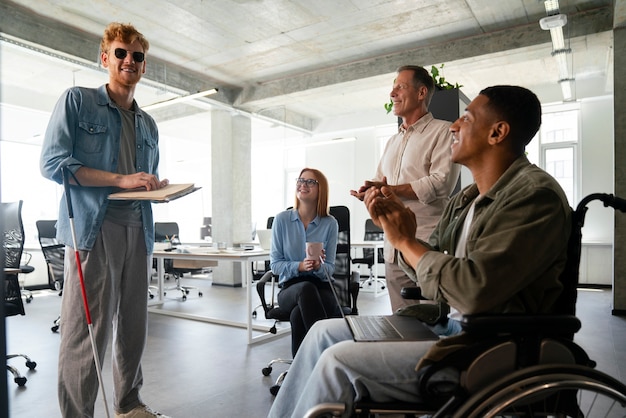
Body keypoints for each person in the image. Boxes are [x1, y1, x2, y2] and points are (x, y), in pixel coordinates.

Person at [267, 85, 571, 418]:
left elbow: (474, 291)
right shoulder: (465, 200)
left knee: (336, 362)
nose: (454, 126)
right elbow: (432, 268)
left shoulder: (533, 195)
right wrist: (402, 234)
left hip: (485, 346)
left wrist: (405, 242)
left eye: (466, 118)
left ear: (498, 132)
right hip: (443, 326)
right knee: (322, 332)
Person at [40, 22, 170, 418]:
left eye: (137, 55)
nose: (129, 59)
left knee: (133, 328)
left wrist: (154, 187)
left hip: (138, 231)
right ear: (105, 58)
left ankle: (128, 405)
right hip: (94, 230)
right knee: (87, 332)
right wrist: (121, 179)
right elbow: (52, 163)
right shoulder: (78, 102)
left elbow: (140, 178)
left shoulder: (148, 124)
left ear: (144, 66)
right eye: (121, 52)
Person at [350, 65, 460, 312]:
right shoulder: (392, 141)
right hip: (393, 251)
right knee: (401, 325)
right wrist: (370, 193)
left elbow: (441, 183)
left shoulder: (443, 131)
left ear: (421, 93)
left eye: (400, 86)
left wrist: (392, 190)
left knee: (433, 326)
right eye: (393, 87)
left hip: (426, 246)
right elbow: (382, 181)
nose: (393, 93)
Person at [270, 168, 340, 356]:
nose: (303, 184)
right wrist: (299, 266)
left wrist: (319, 267)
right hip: (290, 289)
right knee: (305, 288)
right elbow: (275, 265)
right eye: (300, 180)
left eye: (310, 182)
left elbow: (331, 268)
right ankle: (328, 356)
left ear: (321, 189)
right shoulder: (282, 220)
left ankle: (299, 375)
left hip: (322, 287)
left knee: (298, 315)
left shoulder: (330, 223)